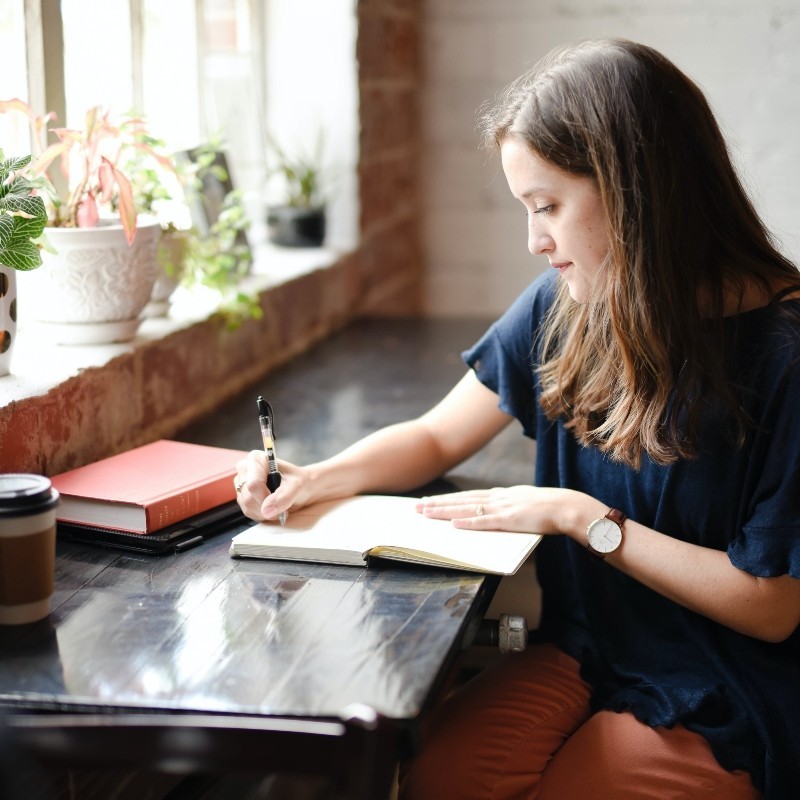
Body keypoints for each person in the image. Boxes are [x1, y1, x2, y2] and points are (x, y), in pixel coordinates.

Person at [235, 38, 800, 799]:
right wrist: (314, 478)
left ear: (636, 191)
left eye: (548, 208)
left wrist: (581, 516)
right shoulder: (569, 304)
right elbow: (438, 434)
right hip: (587, 646)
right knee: (435, 779)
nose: (536, 242)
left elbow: (770, 608)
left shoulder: (786, 358)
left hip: (731, 682)